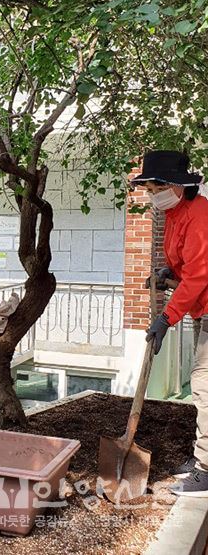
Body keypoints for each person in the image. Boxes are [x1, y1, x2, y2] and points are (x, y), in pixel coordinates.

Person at [132, 150, 208, 496]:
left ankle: (206, 470)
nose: (152, 195)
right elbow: (185, 265)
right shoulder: (177, 213)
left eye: (154, 188)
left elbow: (198, 276)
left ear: (176, 186)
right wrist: (168, 272)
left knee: (204, 385)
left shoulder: (200, 215)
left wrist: (165, 318)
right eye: (148, 189)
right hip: (202, 310)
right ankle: (203, 457)